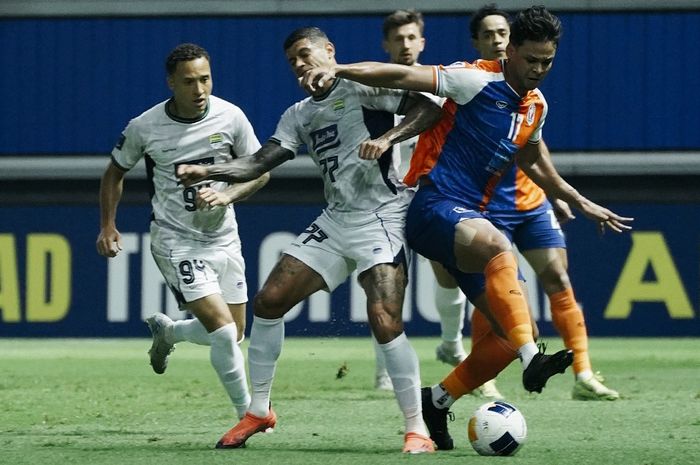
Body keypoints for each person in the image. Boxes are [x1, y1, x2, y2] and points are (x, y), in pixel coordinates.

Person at [301, 5, 632, 450]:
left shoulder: (536, 106)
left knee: (509, 334)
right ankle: (533, 360)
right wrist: (336, 67)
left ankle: (436, 401)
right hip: (432, 205)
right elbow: (399, 77)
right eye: (530, 59)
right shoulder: (473, 78)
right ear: (510, 51)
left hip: (466, 221)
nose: (538, 69)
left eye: (547, 61)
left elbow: (532, 160)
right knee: (500, 249)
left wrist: (576, 199)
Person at [177, 27, 443, 453]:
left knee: (384, 318)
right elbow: (262, 161)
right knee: (269, 301)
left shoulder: (362, 87)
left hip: (382, 215)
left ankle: (417, 429)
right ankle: (258, 411)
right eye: (293, 61)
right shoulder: (298, 114)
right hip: (337, 220)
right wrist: (209, 171)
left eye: (305, 54)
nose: (300, 65)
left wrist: (387, 138)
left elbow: (428, 109)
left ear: (329, 52)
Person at [96, 43, 269, 442]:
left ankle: (170, 333)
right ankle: (249, 415)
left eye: (205, 78)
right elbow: (114, 172)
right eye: (189, 81)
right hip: (176, 240)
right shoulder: (145, 126)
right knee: (224, 333)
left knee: (235, 333)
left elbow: (260, 171)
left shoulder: (232, 116)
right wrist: (108, 225)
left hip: (225, 237)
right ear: (171, 83)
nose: (199, 89)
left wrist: (227, 195)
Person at [467, 3, 621, 402]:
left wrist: (557, 193)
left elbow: (533, 145)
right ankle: (482, 371)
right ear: (480, 42)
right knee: (494, 294)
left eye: (502, 33)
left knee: (558, 277)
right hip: (486, 204)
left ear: (511, 40)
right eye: (490, 35)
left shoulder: (531, 95)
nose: (497, 40)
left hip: (530, 200)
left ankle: (583, 373)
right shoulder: (469, 83)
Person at [371, 9, 502, 400]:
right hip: (383, 198)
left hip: (430, 192)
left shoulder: (441, 83)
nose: (406, 45)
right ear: (387, 44)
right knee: (385, 280)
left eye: (412, 38)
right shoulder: (374, 88)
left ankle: (451, 345)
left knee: (449, 271)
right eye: (398, 39)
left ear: (422, 43)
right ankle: (384, 370)